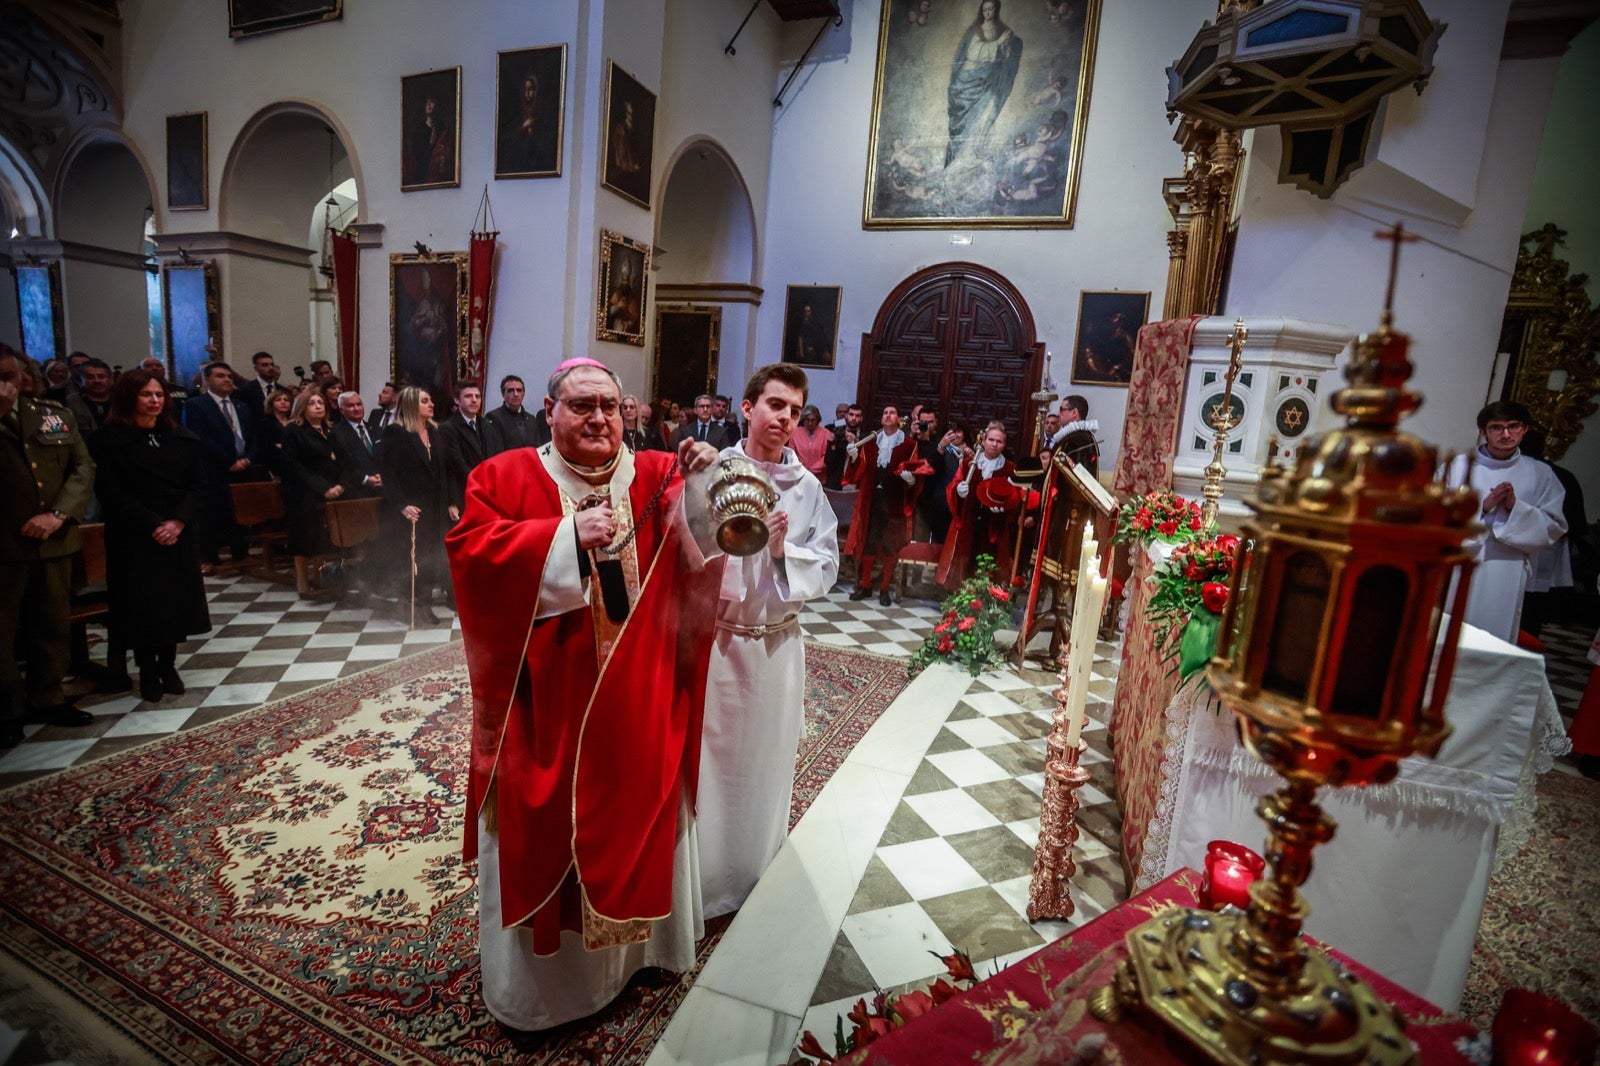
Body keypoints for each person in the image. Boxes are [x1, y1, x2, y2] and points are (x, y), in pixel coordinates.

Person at [444, 357, 723, 1037]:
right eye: (581, 406)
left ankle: (643, 959)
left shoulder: (658, 471)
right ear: (549, 410)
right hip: (549, 701)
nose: (599, 418)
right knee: (551, 831)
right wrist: (562, 538)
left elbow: (705, 554)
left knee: (645, 812)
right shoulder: (504, 477)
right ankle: (550, 1000)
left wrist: (708, 478)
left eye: (610, 406)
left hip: (642, 693)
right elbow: (472, 559)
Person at [698, 365, 838, 918]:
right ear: (748, 407)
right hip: (722, 644)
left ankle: (753, 875)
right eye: (775, 405)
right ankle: (707, 885)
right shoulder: (714, 472)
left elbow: (827, 565)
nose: (784, 419)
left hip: (778, 646)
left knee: (767, 762)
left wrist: (783, 554)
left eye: (795, 412)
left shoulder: (807, 490)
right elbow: (683, 553)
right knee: (715, 765)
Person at [88, 369, 210, 703]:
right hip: (136, 535)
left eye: (159, 395)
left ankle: (168, 665)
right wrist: (154, 524)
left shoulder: (180, 437)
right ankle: (146, 668)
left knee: (173, 602)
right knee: (143, 604)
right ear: (129, 398)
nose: (154, 401)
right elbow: (110, 491)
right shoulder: (108, 439)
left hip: (178, 531)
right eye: (146, 395)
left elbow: (198, 485)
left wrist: (178, 522)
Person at [1, 347, 96, 746]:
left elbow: (82, 466)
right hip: (4, 544)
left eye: (10, 375)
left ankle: (48, 695)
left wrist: (59, 514)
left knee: (52, 624)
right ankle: (7, 710)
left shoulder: (51, 414)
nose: (6, 385)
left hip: (53, 540)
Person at [1441, 401, 1567, 643]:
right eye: (1497, 427)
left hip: (1507, 567)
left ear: (1525, 429)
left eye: (1513, 427)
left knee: (1494, 636)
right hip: (1458, 563)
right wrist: (1484, 506)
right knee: (1450, 634)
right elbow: (1435, 517)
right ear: (1482, 431)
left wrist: (1515, 509)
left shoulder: (1541, 474)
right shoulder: (1457, 467)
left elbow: (1554, 525)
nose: (1506, 434)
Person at [377, 385, 450, 619]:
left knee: (430, 555)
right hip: (410, 507)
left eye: (430, 400)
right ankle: (407, 603)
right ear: (410, 405)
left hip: (434, 506)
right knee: (409, 557)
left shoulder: (435, 431)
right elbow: (388, 473)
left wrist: (450, 502)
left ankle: (424, 602)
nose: (431, 404)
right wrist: (401, 504)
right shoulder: (396, 433)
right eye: (425, 401)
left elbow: (442, 471)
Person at [183, 361, 261, 569]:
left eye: (228, 376)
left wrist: (248, 459)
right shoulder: (196, 405)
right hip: (214, 469)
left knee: (240, 513)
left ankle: (241, 554)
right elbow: (199, 437)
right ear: (207, 380)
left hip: (242, 468)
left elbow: (252, 437)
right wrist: (228, 461)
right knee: (211, 515)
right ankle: (208, 557)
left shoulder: (241, 406)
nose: (227, 380)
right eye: (220, 376)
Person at [844, 404, 925, 605]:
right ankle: (865, 585)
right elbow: (858, 471)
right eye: (885, 413)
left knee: (890, 546)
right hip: (872, 501)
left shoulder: (908, 445)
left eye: (892, 413)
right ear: (881, 419)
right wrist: (854, 457)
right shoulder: (871, 443)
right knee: (869, 542)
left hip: (893, 503)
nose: (888, 415)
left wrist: (911, 481)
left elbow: (917, 471)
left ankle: (884, 589)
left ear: (899, 420)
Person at [280, 390, 345, 599]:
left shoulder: (330, 429)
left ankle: (319, 576)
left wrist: (340, 485)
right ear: (302, 407)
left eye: (320, 402)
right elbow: (294, 465)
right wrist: (322, 486)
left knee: (322, 538)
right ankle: (302, 579)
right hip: (303, 493)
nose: (318, 406)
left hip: (330, 491)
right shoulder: (294, 430)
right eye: (312, 403)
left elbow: (341, 459)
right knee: (304, 537)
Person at [939, 421, 1022, 585]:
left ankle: (985, 601)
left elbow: (1015, 498)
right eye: (991, 440)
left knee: (989, 565)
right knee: (966, 562)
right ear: (983, 441)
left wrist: (1005, 508)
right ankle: (963, 601)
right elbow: (952, 488)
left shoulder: (1010, 468)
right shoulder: (969, 463)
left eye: (999, 441)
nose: (994, 444)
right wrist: (958, 491)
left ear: (1004, 445)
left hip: (994, 526)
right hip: (969, 520)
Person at [945, 0, 1023, 167]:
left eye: (991, 9)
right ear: (982, 11)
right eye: (985, 9)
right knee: (966, 121)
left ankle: (973, 154)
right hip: (969, 81)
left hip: (989, 82)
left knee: (985, 116)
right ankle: (958, 158)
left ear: (996, 10)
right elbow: (973, 53)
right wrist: (997, 43)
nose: (988, 12)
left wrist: (1006, 46)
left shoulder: (1002, 30)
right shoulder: (976, 30)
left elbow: (1006, 55)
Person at [437, 381, 500, 522]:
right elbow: (456, 463)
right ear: (457, 400)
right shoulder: (448, 428)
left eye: (477, 396)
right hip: (464, 492)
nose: (474, 400)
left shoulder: (488, 425)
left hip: (489, 492)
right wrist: (480, 482)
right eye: (468, 396)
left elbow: (496, 456)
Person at [332, 391, 383, 496]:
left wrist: (382, 476)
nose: (356, 408)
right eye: (350, 406)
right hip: (356, 491)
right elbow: (343, 463)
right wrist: (365, 479)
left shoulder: (375, 428)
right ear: (342, 410)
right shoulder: (336, 433)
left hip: (381, 488)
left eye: (359, 404)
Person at [485, 374, 537, 450]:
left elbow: (538, 448)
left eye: (519, 390)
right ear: (503, 394)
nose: (515, 394)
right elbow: (496, 449)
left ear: (523, 394)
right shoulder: (493, 417)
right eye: (510, 391)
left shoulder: (531, 419)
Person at [256, 386, 294, 476]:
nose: (283, 402)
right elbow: (267, 447)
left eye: (286, 400)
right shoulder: (266, 423)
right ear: (271, 404)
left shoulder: (295, 422)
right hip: (276, 466)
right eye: (278, 400)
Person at [825, 404, 863, 490]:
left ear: (861, 418)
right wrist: (834, 443)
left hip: (854, 483)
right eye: (851, 414)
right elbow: (828, 462)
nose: (854, 418)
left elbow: (864, 464)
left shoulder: (864, 437)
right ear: (846, 416)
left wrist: (856, 442)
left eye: (857, 416)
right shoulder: (837, 433)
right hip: (835, 482)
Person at [789, 404, 831, 481]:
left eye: (813, 420)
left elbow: (827, 456)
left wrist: (812, 470)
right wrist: (802, 470)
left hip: (819, 477)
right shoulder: (795, 433)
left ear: (818, 420)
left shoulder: (826, 434)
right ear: (803, 420)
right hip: (799, 475)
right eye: (807, 420)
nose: (810, 423)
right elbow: (791, 454)